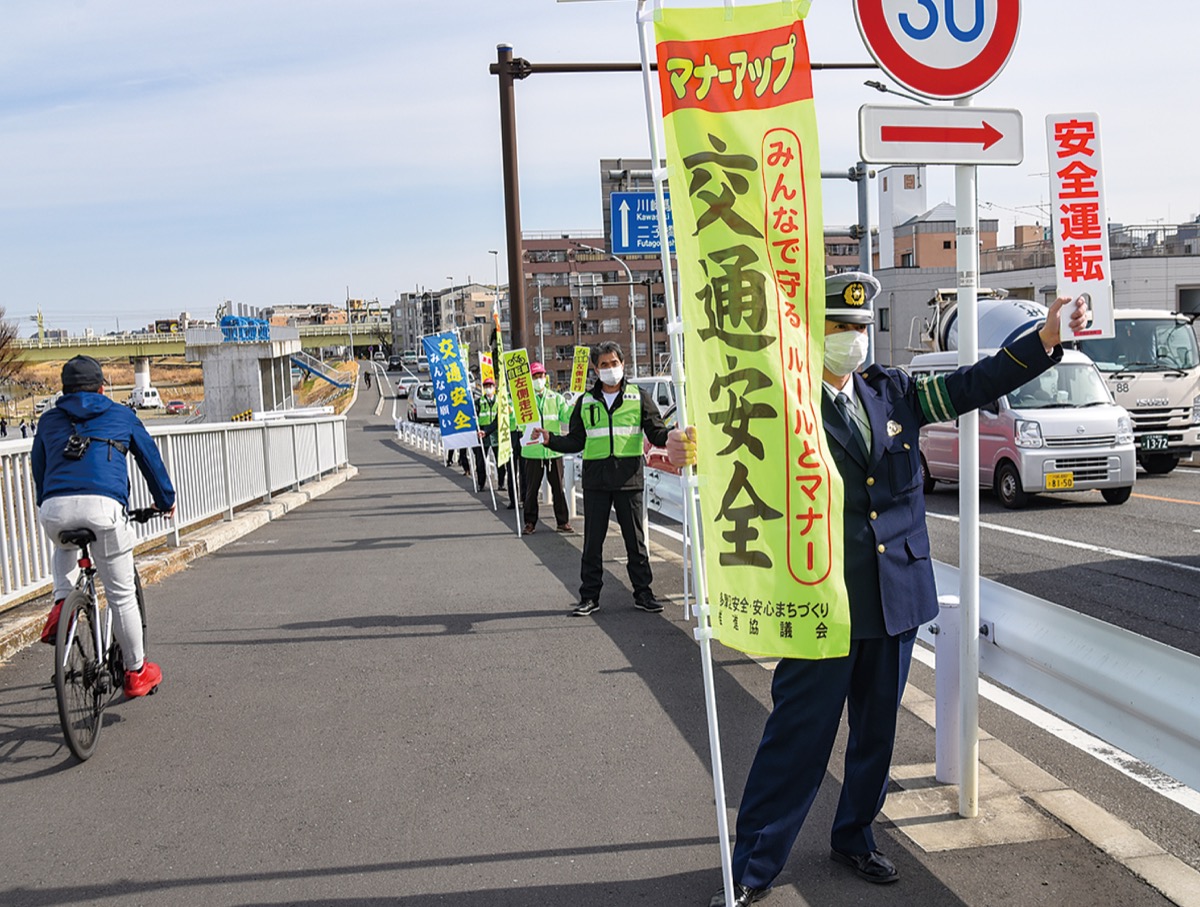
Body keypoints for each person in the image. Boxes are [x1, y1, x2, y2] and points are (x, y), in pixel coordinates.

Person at [666, 275, 1087, 906]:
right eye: (841, 328)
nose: (854, 340)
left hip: (895, 595)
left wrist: (1045, 340)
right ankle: (754, 864)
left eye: (862, 328)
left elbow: (975, 383)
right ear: (814, 333)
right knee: (798, 738)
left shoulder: (895, 391)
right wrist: (683, 442)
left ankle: (855, 835)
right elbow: (723, 444)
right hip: (819, 599)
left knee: (876, 733)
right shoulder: (780, 402)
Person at [31, 355, 177, 698]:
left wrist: (51, 503)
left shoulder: (49, 420)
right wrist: (165, 500)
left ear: (64, 390)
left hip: (54, 508)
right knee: (121, 595)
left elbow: (40, 469)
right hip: (104, 510)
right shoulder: (121, 414)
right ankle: (137, 673)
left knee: (64, 543)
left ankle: (62, 603)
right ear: (101, 388)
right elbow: (150, 462)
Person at [532, 341, 670, 616]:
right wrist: (551, 440)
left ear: (622, 364)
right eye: (604, 365)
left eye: (614, 363)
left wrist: (674, 436)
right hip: (596, 482)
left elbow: (656, 433)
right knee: (592, 544)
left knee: (635, 542)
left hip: (628, 480)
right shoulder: (585, 402)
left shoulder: (639, 396)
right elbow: (575, 440)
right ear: (595, 369)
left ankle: (643, 593)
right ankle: (589, 597)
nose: (610, 369)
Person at [519, 362, 572, 534]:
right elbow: (518, 423)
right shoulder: (524, 400)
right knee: (531, 490)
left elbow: (566, 416)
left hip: (553, 450)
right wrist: (526, 431)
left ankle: (562, 522)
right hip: (533, 451)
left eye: (540, 376)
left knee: (558, 487)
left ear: (545, 377)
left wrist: (575, 404)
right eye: (534, 377)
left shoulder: (556, 398)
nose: (538, 379)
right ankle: (530, 522)